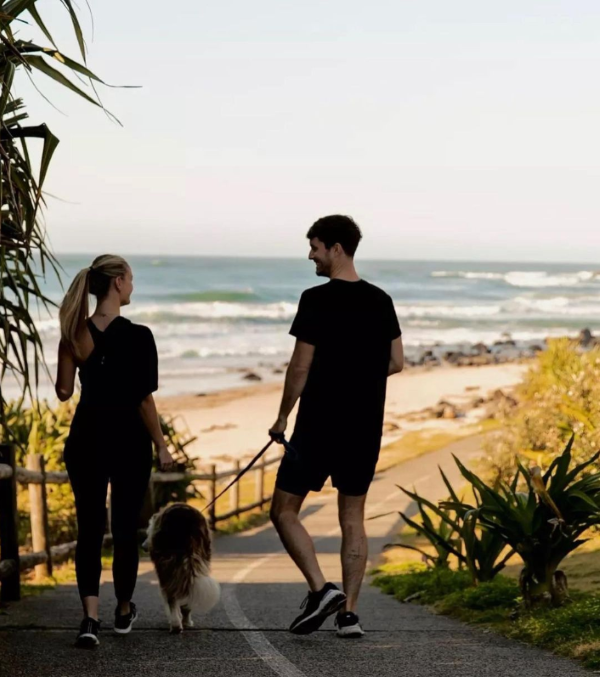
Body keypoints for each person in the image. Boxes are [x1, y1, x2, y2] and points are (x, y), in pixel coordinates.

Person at [269, 215, 404, 638]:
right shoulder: (381, 300)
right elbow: (397, 362)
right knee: (352, 517)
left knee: (283, 510)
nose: (311, 255)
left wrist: (281, 416)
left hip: (318, 424)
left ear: (336, 249)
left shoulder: (315, 299)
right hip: (364, 427)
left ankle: (320, 589)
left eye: (314, 247)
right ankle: (350, 614)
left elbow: (300, 366)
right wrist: (359, 379)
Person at [55, 254, 175, 648]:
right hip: (128, 441)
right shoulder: (140, 336)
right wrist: (161, 445)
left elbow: (64, 392)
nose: (133, 286)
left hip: (86, 438)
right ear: (119, 282)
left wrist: (73, 353)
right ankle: (123, 610)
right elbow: (144, 401)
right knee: (125, 530)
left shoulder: (75, 333)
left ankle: (90, 620)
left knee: (89, 530)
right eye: (132, 279)